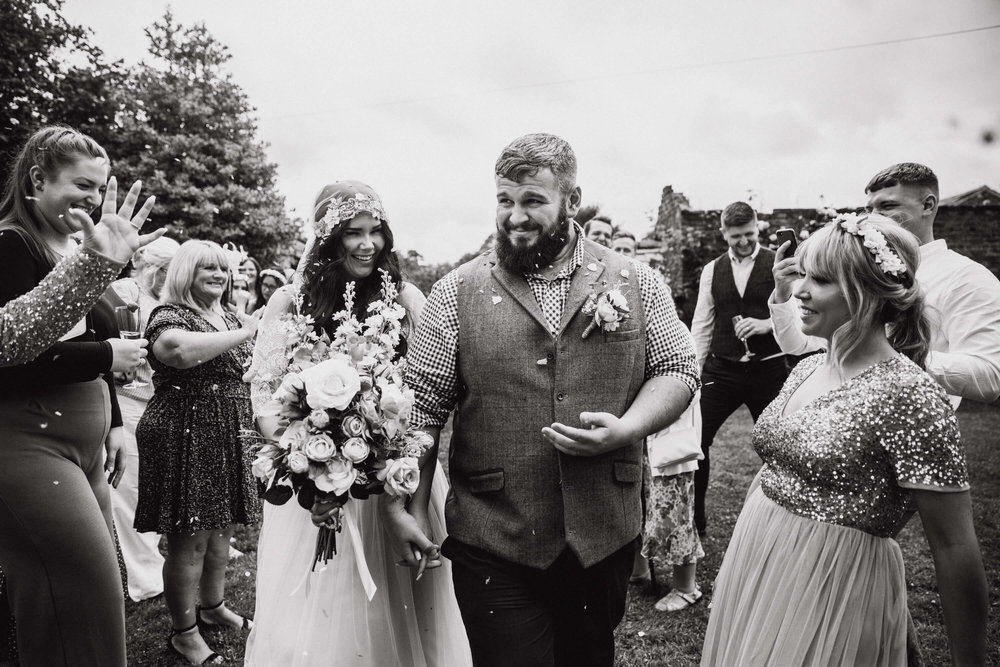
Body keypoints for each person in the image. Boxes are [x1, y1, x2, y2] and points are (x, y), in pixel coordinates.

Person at [386, 133, 700, 666]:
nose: (515, 216)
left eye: (533, 201)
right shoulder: (455, 291)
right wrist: (406, 504)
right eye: (505, 201)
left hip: (604, 530)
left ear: (572, 201)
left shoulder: (636, 281)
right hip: (494, 534)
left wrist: (627, 429)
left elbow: (678, 368)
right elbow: (422, 408)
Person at [701, 214, 987, 666]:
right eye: (802, 275)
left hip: (835, 583)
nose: (799, 290)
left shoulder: (909, 394)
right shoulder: (806, 368)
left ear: (868, 292)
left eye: (821, 280)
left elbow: (954, 546)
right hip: (761, 559)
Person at [242, 181, 470, 666]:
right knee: (325, 603)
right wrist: (305, 460)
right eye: (354, 234)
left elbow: (430, 388)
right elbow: (264, 394)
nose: (370, 245)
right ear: (327, 238)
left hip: (395, 472)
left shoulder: (405, 296)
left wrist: (390, 456)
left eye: (377, 232)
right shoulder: (290, 301)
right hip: (317, 474)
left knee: (407, 599)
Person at [0, 125, 157, 667]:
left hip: (86, 445)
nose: (93, 199)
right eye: (82, 185)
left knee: (85, 598)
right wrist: (105, 357)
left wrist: (113, 420)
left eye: (101, 188)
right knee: (82, 594)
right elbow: (9, 354)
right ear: (38, 180)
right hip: (28, 444)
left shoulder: (75, 246)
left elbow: (93, 339)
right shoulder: (12, 245)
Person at [770, 163, 1000, 405]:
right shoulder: (852, 272)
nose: (873, 218)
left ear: (928, 205)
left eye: (888, 206)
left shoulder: (967, 278)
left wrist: (887, 358)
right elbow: (797, 344)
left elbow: (991, 377)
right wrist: (783, 292)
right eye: (869, 209)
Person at [134, 239, 262, 666]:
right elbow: (178, 352)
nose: (219, 275)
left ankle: (213, 606)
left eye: (223, 269)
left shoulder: (226, 314)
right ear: (185, 271)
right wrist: (245, 332)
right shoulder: (169, 315)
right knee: (189, 540)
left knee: (221, 533)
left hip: (228, 430)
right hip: (185, 430)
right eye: (207, 267)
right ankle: (183, 633)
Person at [690, 201, 790, 536]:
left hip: (769, 370)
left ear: (758, 227)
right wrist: (693, 372)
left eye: (748, 234)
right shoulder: (712, 270)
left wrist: (766, 325)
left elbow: (801, 315)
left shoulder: (780, 260)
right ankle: (694, 522)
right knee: (696, 440)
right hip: (723, 371)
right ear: (724, 233)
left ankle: (778, 523)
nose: (744, 242)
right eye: (736, 237)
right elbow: (702, 324)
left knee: (779, 446)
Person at [109, 235, 180, 602]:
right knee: (130, 490)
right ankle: (143, 576)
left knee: (155, 487)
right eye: (165, 271)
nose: (169, 277)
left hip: (159, 401)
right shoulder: (123, 292)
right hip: (127, 401)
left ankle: (151, 560)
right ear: (149, 267)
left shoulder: (170, 297)